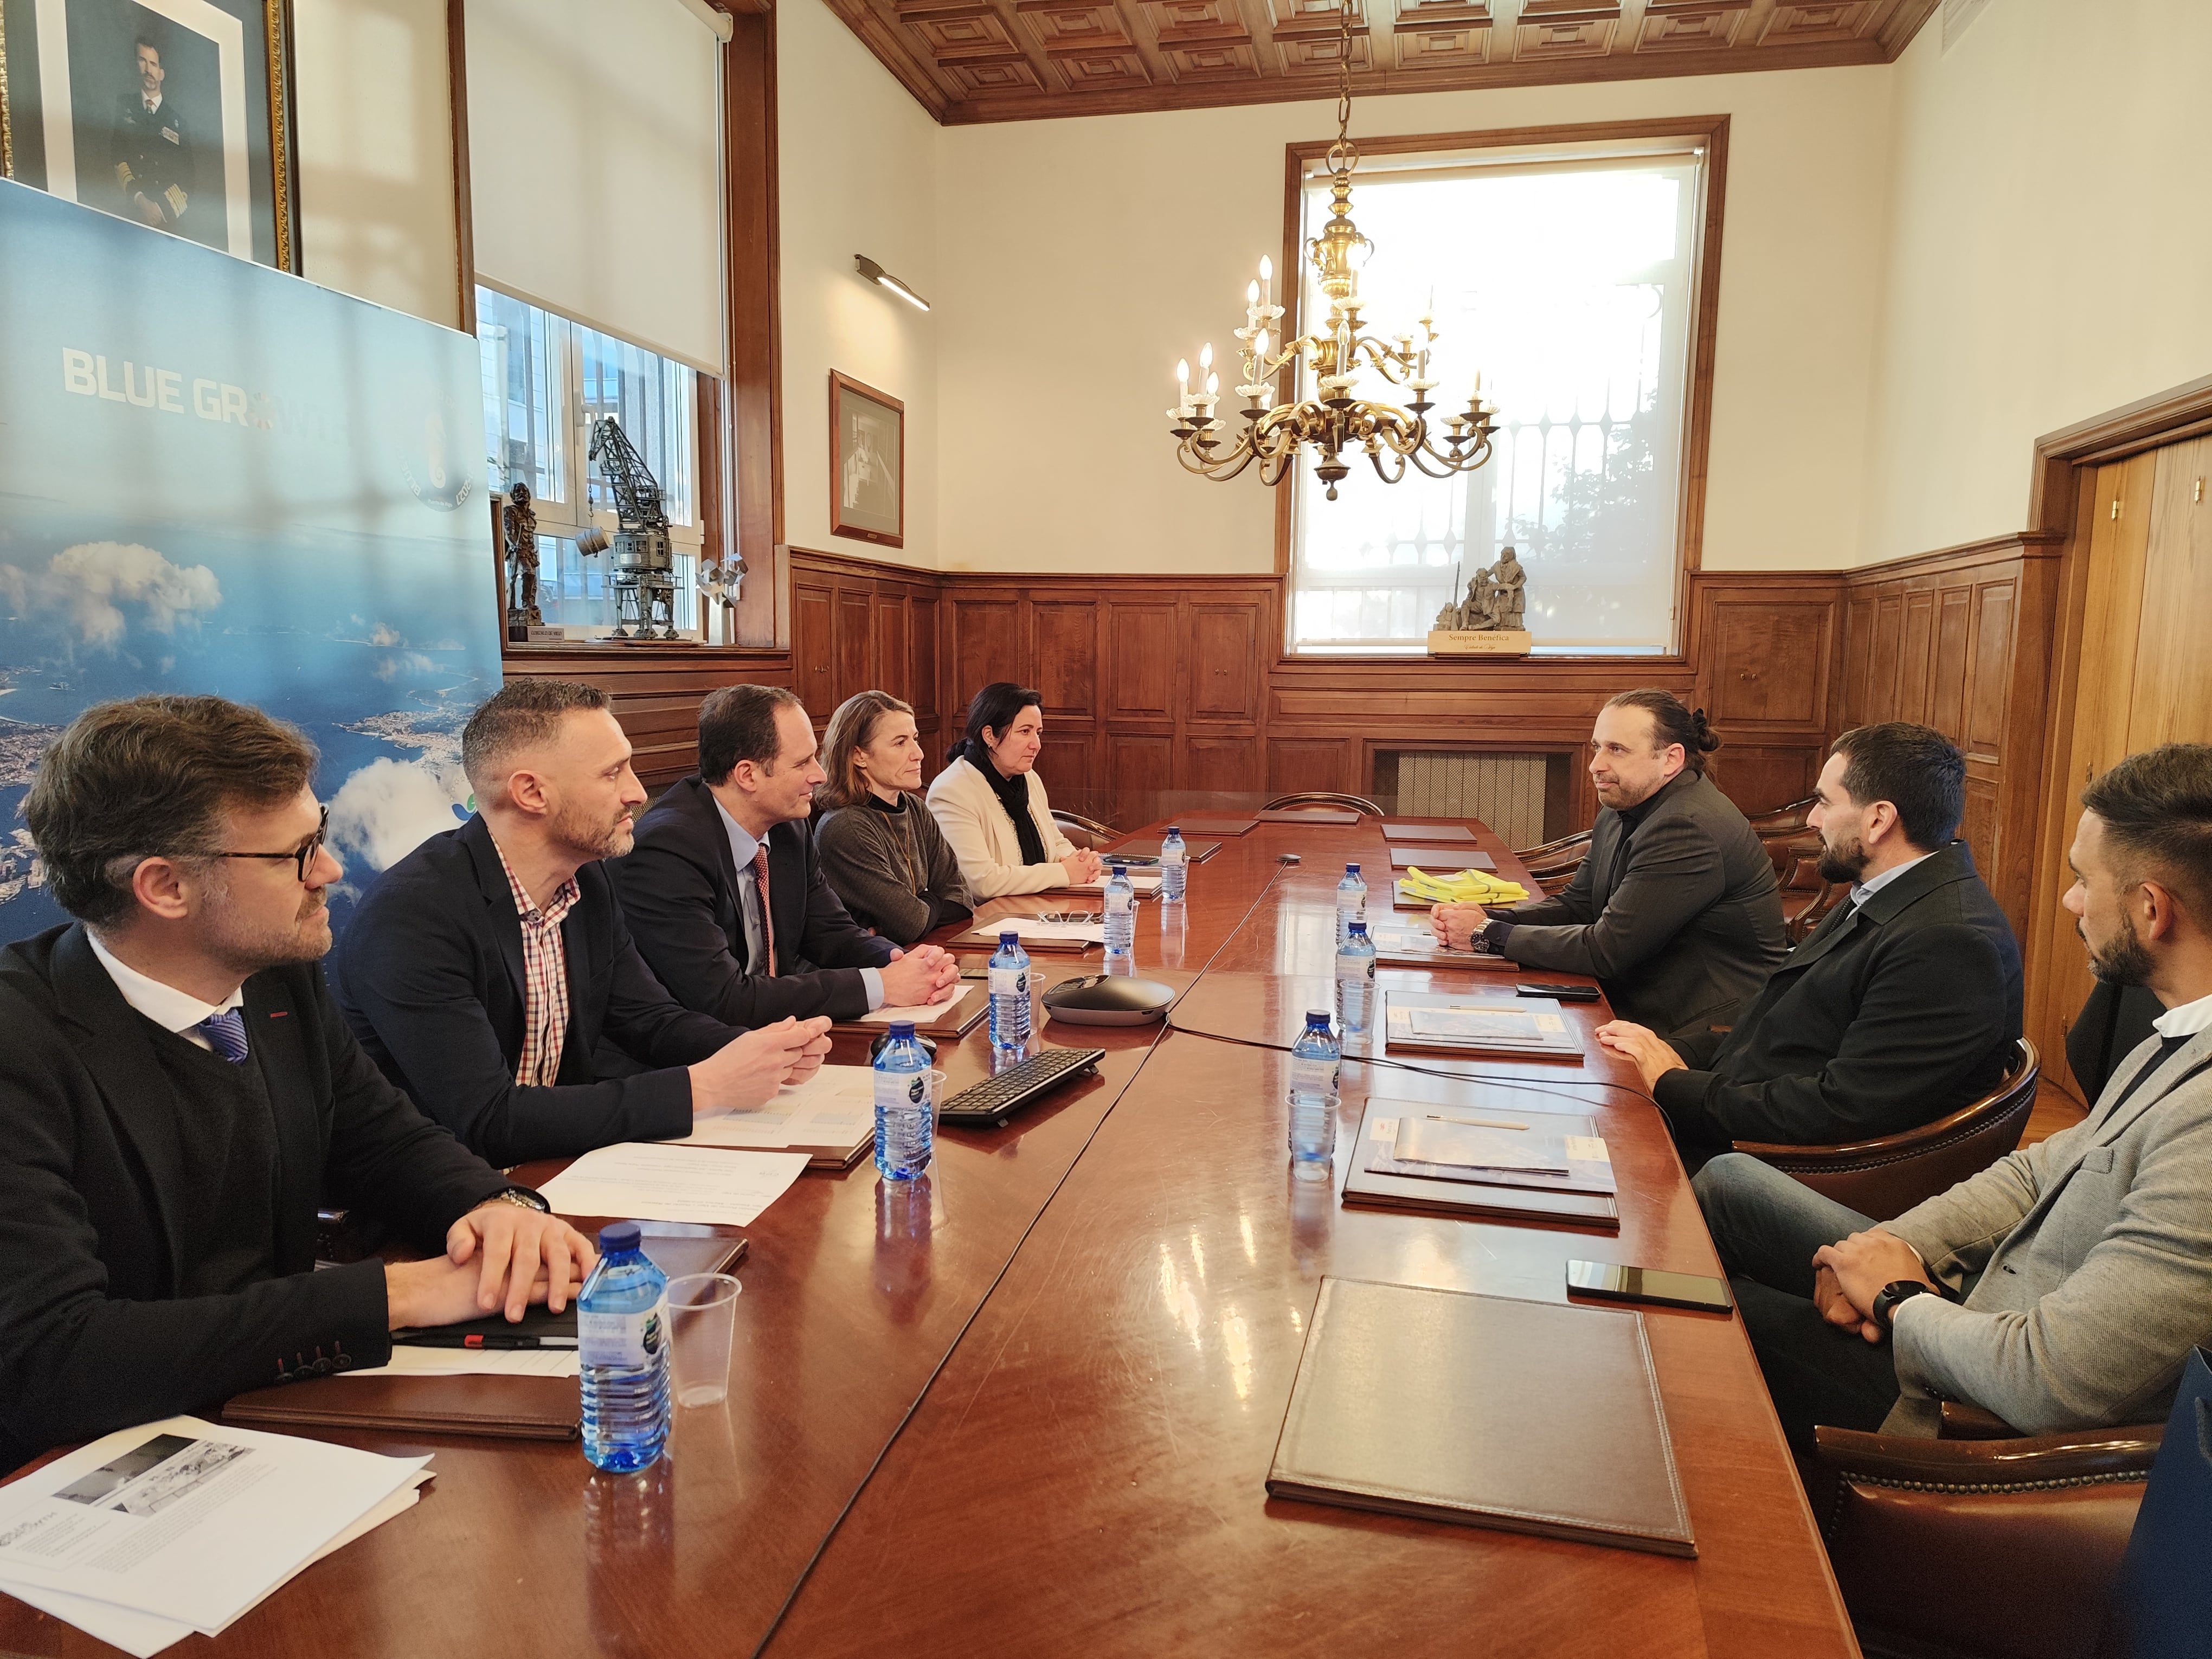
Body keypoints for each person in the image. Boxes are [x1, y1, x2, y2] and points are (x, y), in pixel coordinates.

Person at [0, 696, 597, 1472]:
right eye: (296, 854)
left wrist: (497, 1206)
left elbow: (382, 1139)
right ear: (165, 887)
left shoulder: (279, 980)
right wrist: (398, 1295)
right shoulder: (21, 1047)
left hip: (266, 1419)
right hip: (85, 1473)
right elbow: (58, 1356)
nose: (331, 869)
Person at [1694, 744, 2212, 1450]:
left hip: (1971, 1408)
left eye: (2084, 881)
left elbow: (2051, 1379)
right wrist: (1890, 1245)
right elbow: (2036, 1171)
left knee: (1711, 1314)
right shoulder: (2177, 1029)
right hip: (1968, 1307)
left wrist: (1896, 1299)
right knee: (1727, 1186)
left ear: (2153, 909)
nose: (2070, 901)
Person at [333, 680, 829, 1167]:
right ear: (530, 792)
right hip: (445, 1199)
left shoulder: (586, 882)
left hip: (557, 1163)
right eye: (613, 773)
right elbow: (486, 1119)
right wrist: (704, 1086)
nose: (637, 792)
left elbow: (649, 1020)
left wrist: (758, 1050)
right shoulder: (415, 918)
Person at [1595, 721, 2022, 1153]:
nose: (1814, 819)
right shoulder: (1882, 891)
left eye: (1824, 802)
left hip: (1771, 1164)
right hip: (1736, 1118)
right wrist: (1660, 1052)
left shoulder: (1949, 942)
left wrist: (1672, 1085)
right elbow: (1776, 1023)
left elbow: (1843, 1111)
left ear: (1878, 819)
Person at [1431, 690, 1787, 1039]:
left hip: (1702, 1029)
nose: (1596, 765)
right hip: (1635, 1001)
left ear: (1671, 759)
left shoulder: (1686, 827)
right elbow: (1580, 905)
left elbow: (1606, 951)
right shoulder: (1625, 806)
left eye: (1616, 750)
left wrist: (1487, 936)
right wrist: (1493, 919)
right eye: (1597, 747)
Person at [613, 685, 959, 1024]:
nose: (819, 775)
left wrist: (905, 964)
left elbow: (830, 932)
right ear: (747, 775)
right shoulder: (668, 850)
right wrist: (880, 985)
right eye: (802, 763)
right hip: (705, 1052)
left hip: (782, 1031)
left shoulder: (787, 827)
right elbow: (722, 998)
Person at [812, 690, 973, 946]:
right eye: (900, 743)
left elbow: (963, 898)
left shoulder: (914, 807)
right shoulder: (846, 826)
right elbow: (910, 923)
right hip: (868, 972)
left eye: (915, 739)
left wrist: (919, 906)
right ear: (858, 756)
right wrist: (930, 898)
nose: (918, 753)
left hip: (917, 952)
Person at [926, 682, 1105, 899]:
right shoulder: (951, 791)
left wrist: (1079, 861)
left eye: (1038, 733)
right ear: (989, 735)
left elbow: (1055, 842)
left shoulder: (1028, 778)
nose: (1036, 744)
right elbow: (980, 882)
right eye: (1025, 732)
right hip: (985, 921)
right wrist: (1063, 872)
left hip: (1035, 907)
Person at [108, 38, 197, 236]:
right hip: (130, 214)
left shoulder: (178, 121)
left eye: (154, 64)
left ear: (162, 73)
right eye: (143, 61)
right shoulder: (124, 107)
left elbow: (188, 178)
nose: (148, 70)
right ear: (136, 65)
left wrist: (160, 210)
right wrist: (141, 201)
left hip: (166, 224)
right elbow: (117, 158)